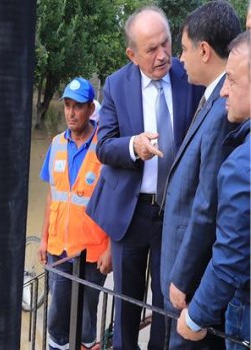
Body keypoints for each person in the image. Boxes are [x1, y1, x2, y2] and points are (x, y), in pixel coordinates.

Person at [85, 6, 204, 350]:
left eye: (166, 43)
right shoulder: (117, 85)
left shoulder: (189, 76)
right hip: (131, 212)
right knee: (126, 303)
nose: (163, 55)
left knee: (167, 301)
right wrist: (134, 146)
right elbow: (104, 146)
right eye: (151, 49)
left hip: (176, 212)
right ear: (132, 54)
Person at [160, 2, 242, 348]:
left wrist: (182, 277)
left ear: (204, 50)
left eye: (183, 48)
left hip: (192, 283)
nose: (180, 58)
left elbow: (207, 205)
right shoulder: (213, 98)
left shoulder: (226, 109)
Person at [177, 30, 250, 349]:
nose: (224, 92)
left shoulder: (241, 165)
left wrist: (195, 316)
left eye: (232, 81)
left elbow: (230, 256)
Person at [38, 77, 112, 350]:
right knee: (57, 316)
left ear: (91, 110)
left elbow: (115, 203)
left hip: (93, 254)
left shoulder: (104, 149)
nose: (70, 112)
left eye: (77, 106)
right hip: (60, 249)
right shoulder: (56, 144)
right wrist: (44, 239)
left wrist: (112, 249)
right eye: (67, 105)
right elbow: (52, 196)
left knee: (86, 318)